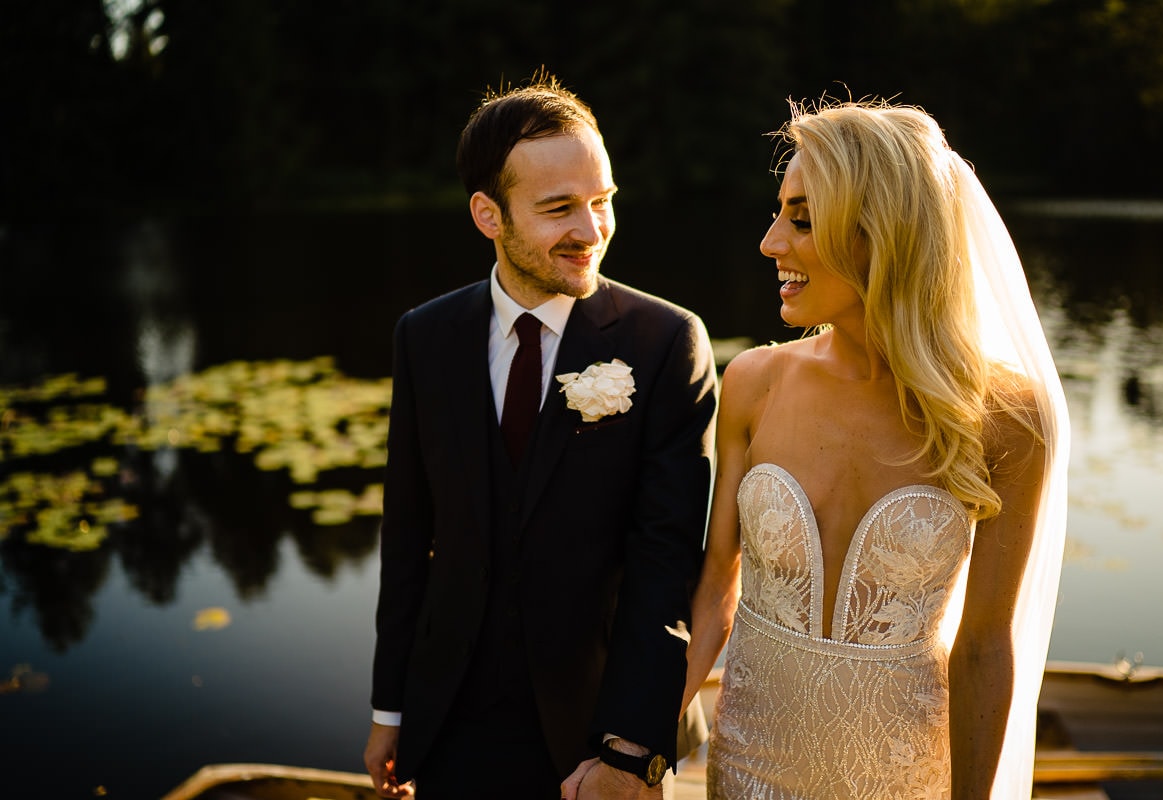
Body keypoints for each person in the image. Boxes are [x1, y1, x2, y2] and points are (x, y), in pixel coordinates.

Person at [680, 99, 1070, 798]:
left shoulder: (1006, 418)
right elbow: (716, 586)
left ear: (880, 232)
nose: (771, 242)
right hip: (751, 768)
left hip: (901, 775)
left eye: (802, 219)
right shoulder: (754, 383)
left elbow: (985, 644)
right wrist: (639, 746)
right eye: (778, 212)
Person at [363, 72, 717, 800]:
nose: (590, 231)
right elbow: (407, 538)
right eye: (559, 209)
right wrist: (390, 709)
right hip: (449, 721)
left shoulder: (665, 342)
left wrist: (630, 753)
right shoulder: (424, 337)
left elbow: (666, 563)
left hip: (595, 728)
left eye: (602, 201)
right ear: (488, 215)